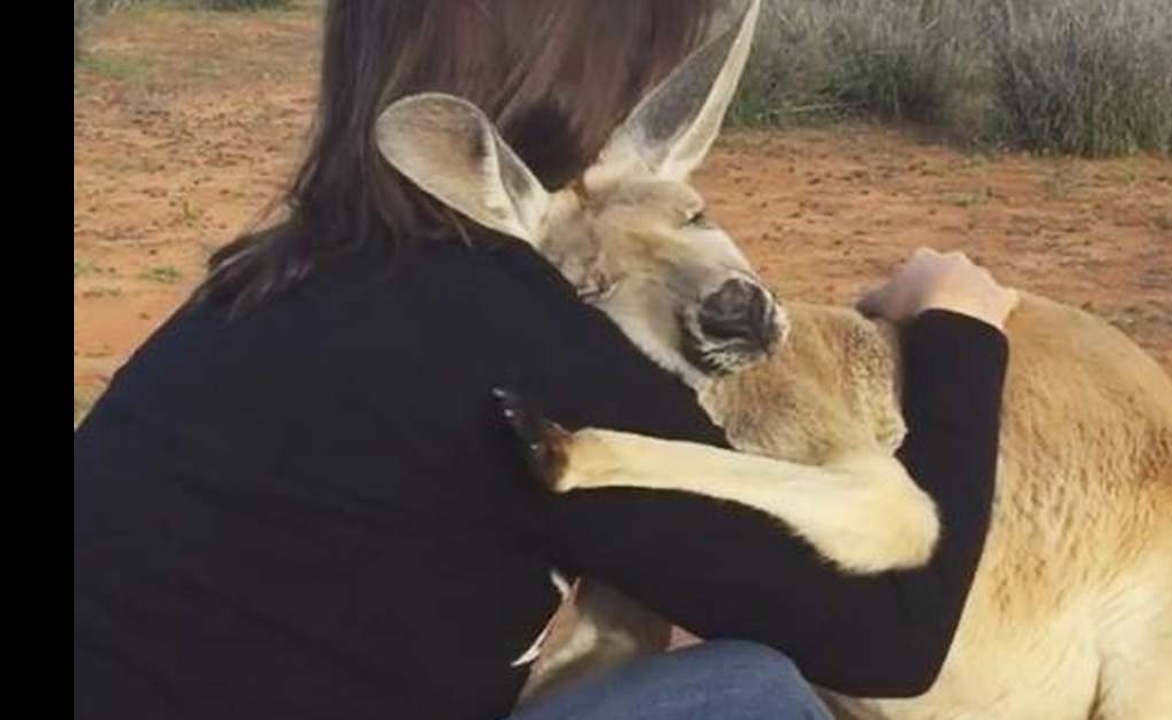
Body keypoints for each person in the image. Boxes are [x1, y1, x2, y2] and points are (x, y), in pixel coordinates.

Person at [72, 1, 1018, 719]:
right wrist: (959, 335)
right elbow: (895, 633)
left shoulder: (255, 286)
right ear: (597, 75)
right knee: (747, 695)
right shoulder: (519, 338)